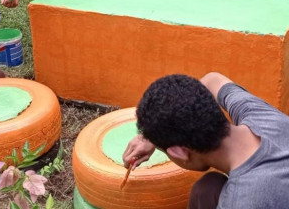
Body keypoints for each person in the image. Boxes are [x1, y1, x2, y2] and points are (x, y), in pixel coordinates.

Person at [123, 72, 289, 208]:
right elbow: (212, 80)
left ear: (180, 152)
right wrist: (153, 135)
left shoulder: (241, 201)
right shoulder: (260, 115)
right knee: (207, 190)